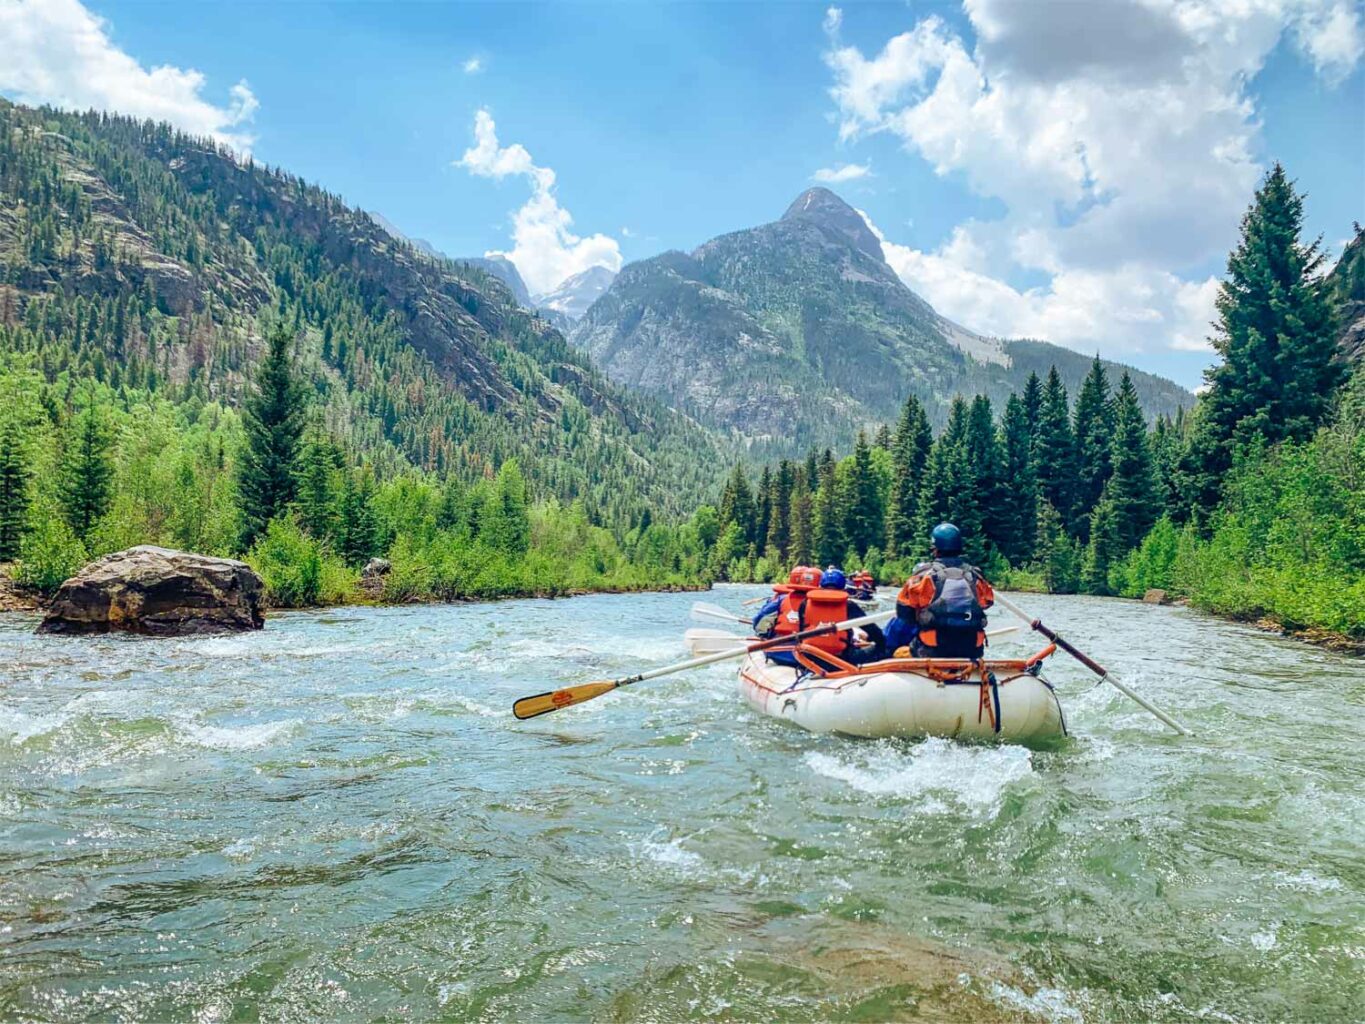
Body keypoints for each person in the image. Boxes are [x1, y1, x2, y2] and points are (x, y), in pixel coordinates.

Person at [885, 522, 995, 659]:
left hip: (932, 649)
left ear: (935, 550)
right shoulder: (975, 576)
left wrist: (925, 617)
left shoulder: (924, 576)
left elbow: (903, 612)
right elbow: (988, 602)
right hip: (972, 649)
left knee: (899, 652)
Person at [752, 566, 822, 668]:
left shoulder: (782, 599)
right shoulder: (823, 605)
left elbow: (759, 621)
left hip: (779, 653)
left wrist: (763, 635)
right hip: (811, 655)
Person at [812, 568, 886, 663]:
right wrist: (881, 642)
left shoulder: (806, 603)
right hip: (842, 658)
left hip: (811, 655)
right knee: (884, 649)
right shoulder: (849, 605)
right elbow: (873, 632)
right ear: (843, 586)